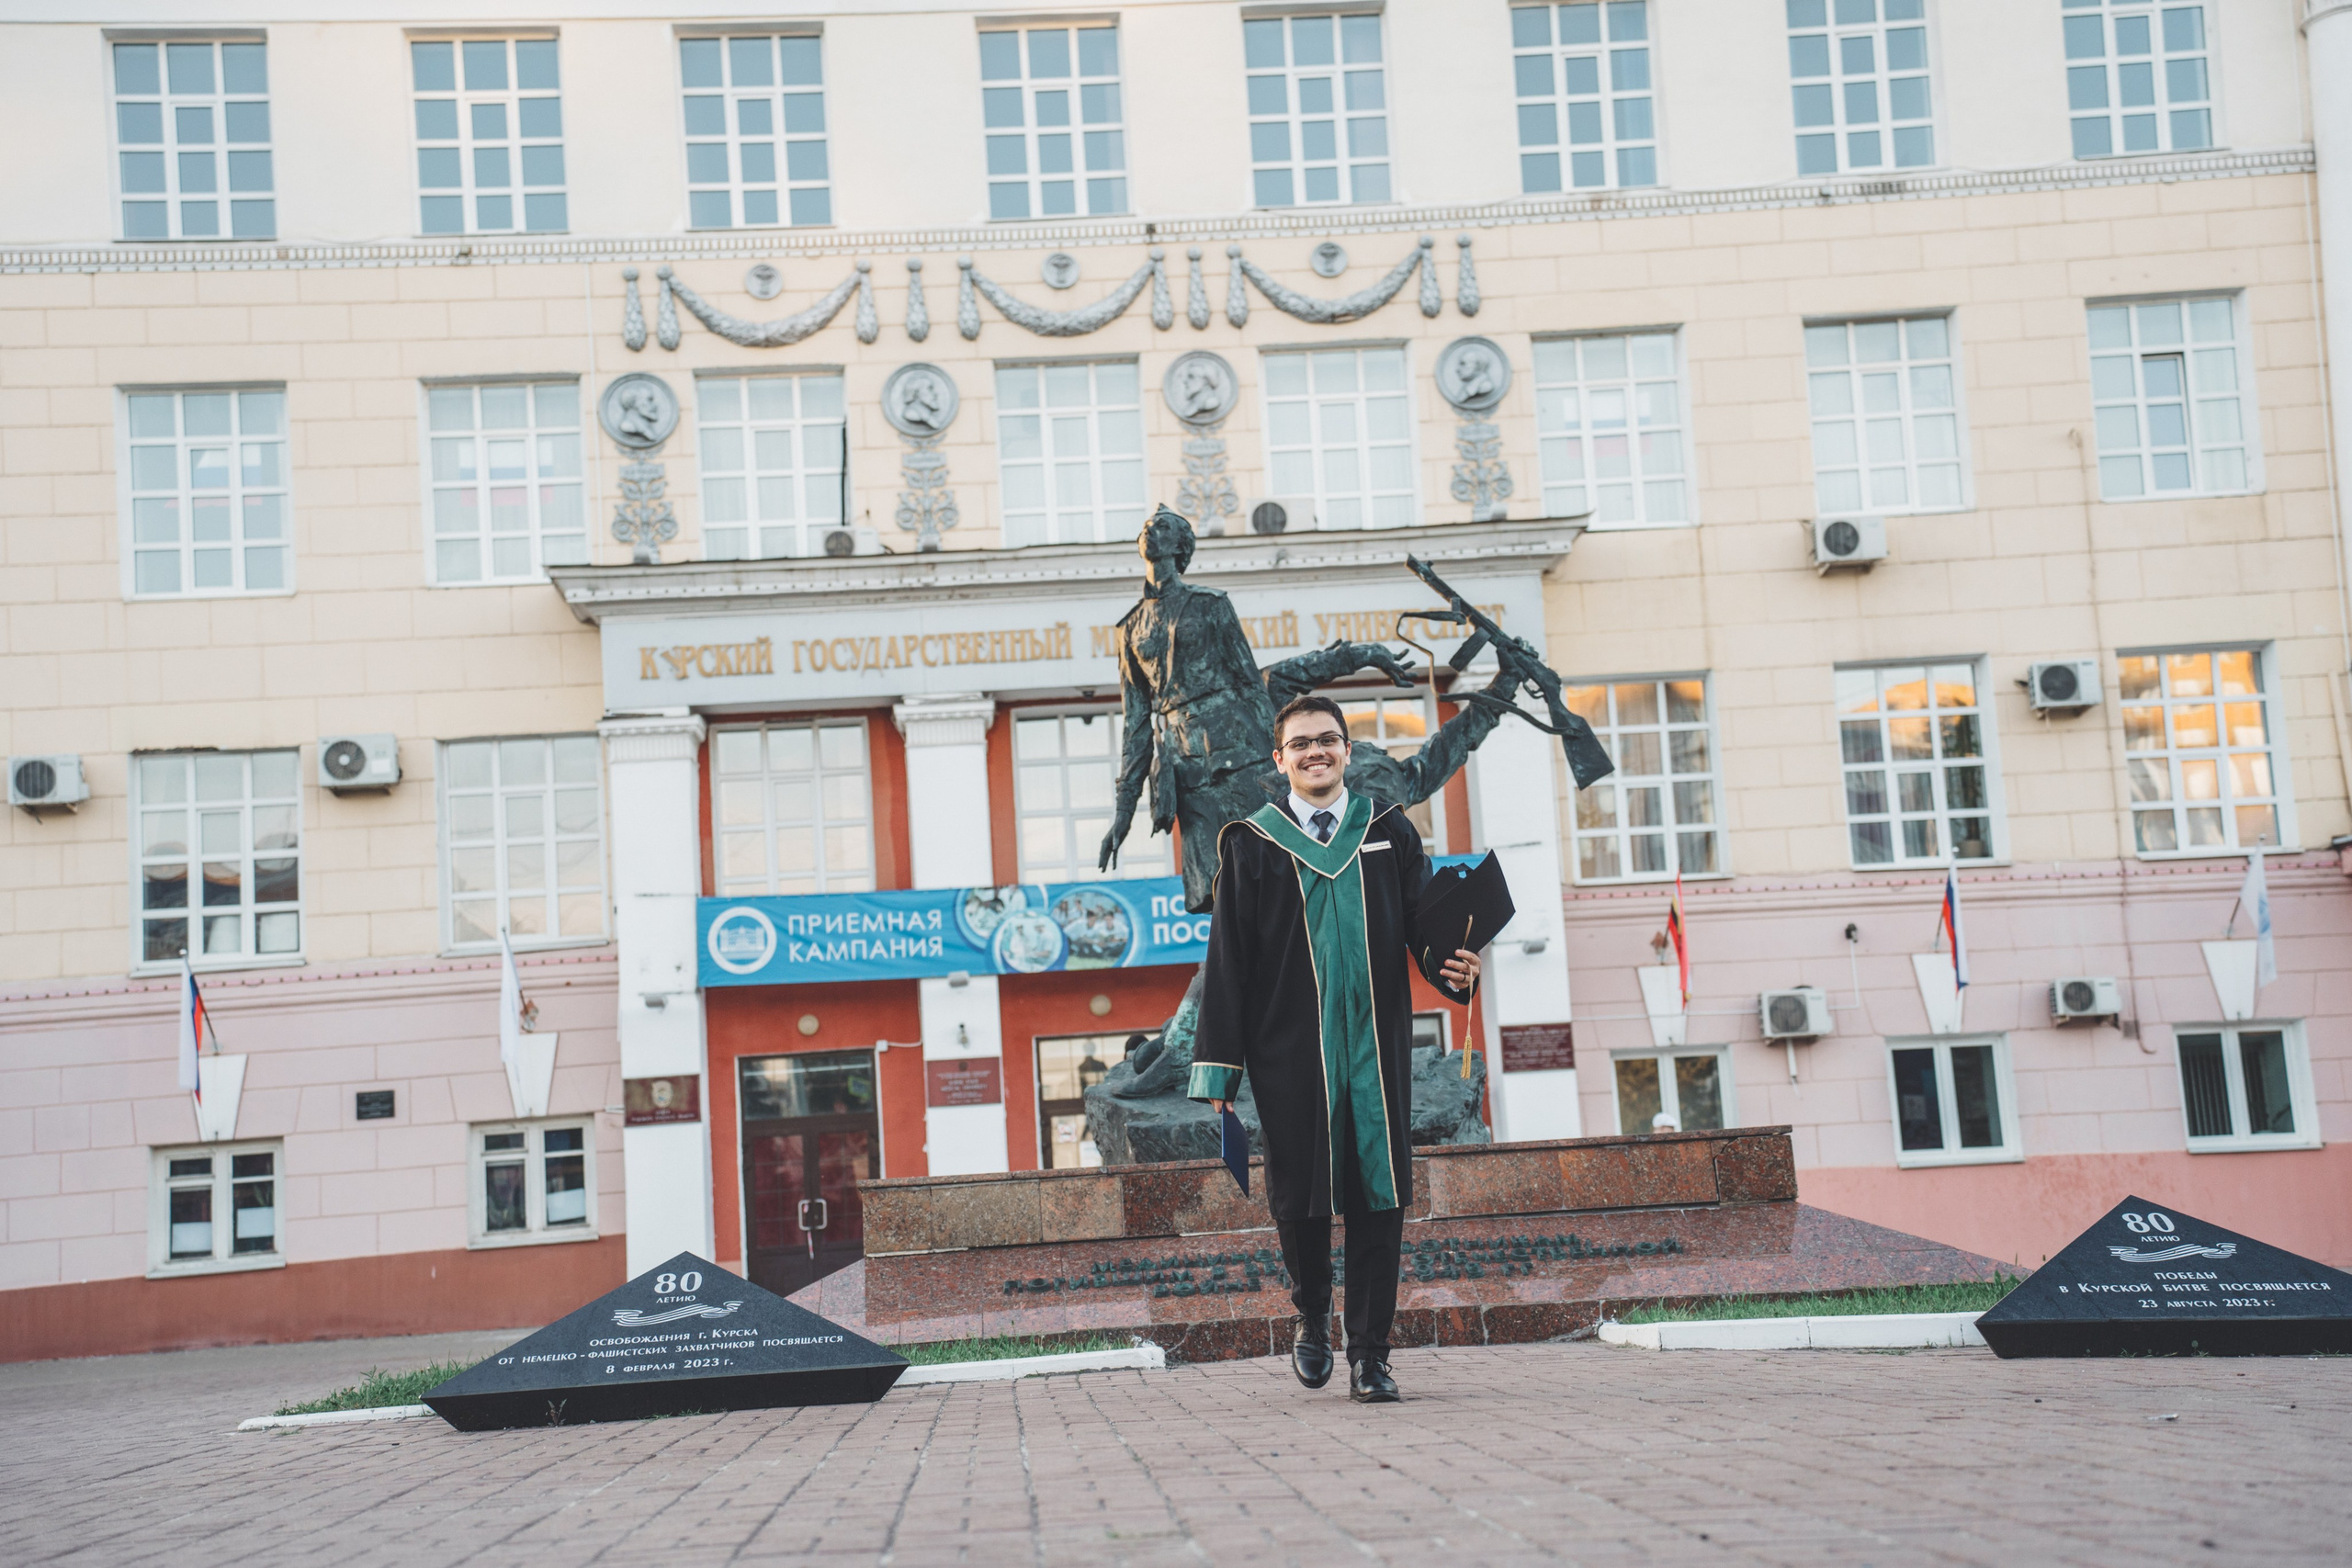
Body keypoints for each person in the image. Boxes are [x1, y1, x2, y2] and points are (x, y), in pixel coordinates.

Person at [1185, 693, 1482, 1404]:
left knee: (1380, 1198)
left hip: (1376, 1050)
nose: (1316, 752)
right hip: (1290, 1053)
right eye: (1301, 743)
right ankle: (1312, 1314)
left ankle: (1371, 1356)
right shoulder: (1251, 843)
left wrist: (1458, 965)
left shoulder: (1387, 828)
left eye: (1328, 740)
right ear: (1279, 759)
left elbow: (1427, 927)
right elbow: (1229, 961)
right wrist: (1220, 1069)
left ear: (1348, 750)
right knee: (1304, 1197)